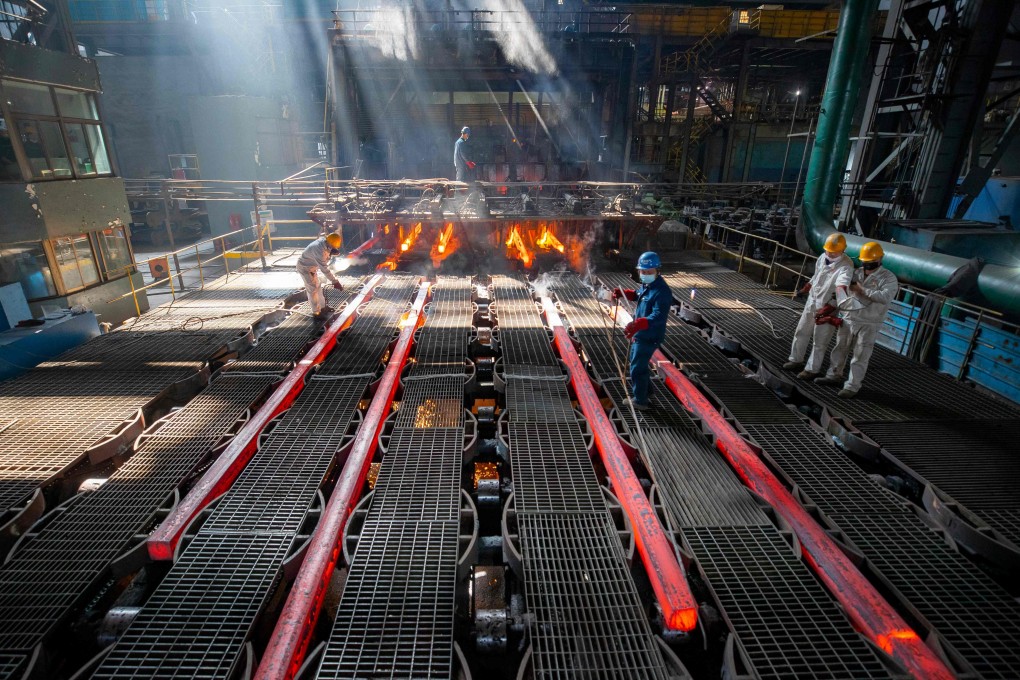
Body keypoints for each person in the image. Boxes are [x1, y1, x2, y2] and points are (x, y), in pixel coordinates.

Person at [814, 241, 899, 398]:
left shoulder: (888, 278)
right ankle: (833, 375)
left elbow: (885, 297)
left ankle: (852, 386)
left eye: (870, 262)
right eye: (865, 262)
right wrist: (832, 305)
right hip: (849, 318)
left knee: (860, 355)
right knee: (840, 348)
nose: (867, 265)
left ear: (880, 259)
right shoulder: (857, 273)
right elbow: (843, 292)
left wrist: (861, 290)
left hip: (869, 322)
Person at [783, 232, 854, 379]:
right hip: (812, 300)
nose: (830, 254)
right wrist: (806, 288)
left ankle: (811, 370)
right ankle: (795, 359)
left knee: (820, 340)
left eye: (834, 252)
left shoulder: (846, 266)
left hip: (828, 306)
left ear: (842, 250)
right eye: (828, 250)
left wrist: (831, 306)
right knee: (802, 330)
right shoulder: (823, 257)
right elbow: (816, 276)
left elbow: (842, 286)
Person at [612, 251, 673, 411]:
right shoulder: (648, 285)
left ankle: (640, 401)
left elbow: (658, 315)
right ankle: (648, 393)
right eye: (642, 272)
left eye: (649, 272)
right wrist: (626, 293)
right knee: (640, 363)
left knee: (637, 367)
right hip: (641, 333)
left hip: (649, 335)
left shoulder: (662, 291)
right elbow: (639, 295)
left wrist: (639, 324)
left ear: (657, 271)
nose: (645, 275)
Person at [297, 232, 344, 319]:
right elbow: (324, 269)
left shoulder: (325, 242)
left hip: (312, 268)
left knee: (318, 287)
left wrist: (330, 251)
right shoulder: (318, 250)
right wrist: (335, 281)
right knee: (312, 290)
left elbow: (326, 251)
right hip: (305, 268)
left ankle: (323, 308)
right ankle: (316, 313)